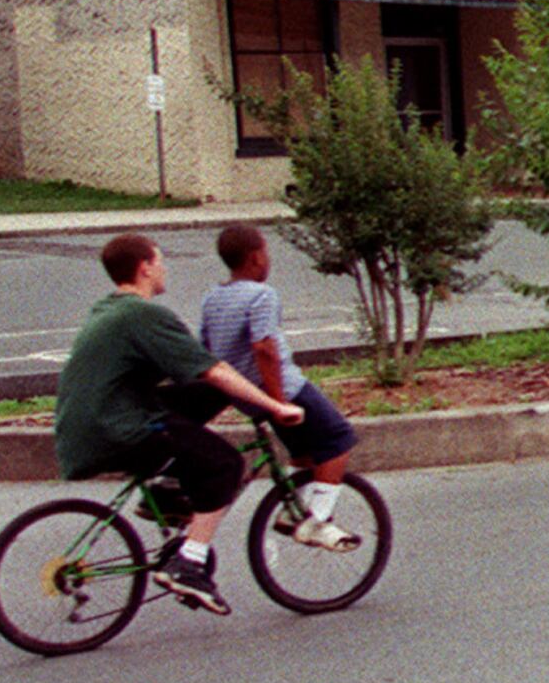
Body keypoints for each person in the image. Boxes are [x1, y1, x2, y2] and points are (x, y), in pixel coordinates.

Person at [53, 231, 301, 617]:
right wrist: (274, 405)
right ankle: (189, 566)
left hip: (91, 424)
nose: (165, 267)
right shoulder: (144, 315)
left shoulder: (108, 309)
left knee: (208, 395)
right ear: (145, 267)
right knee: (226, 464)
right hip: (119, 429)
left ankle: (171, 488)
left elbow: (196, 377)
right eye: (160, 260)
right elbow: (213, 369)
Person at [197, 222, 363, 552]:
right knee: (339, 438)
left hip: (245, 395)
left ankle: (292, 513)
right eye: (267, 252)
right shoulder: (262, 295)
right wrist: (278, 401)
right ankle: (316, 521)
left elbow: (206, 348)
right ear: (257, 257)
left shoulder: (212, 298)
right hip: (281, 389)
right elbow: (264, 348)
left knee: (302, 453)